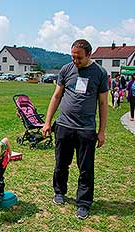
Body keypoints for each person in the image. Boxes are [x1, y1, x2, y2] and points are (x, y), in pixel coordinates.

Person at [42, 39, 108, 220]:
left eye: (78, 58)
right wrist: (47, 122)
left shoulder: (100, 73)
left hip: (86, 129)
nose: (75, 61)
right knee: (61, 163)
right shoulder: (66, 70)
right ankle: (59, 191)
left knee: (86, 168)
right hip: (64, 125)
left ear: (89, 55)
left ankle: (84, 203)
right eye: (72, 56)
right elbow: (56, 96)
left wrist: (101, 131)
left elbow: (103, 103)